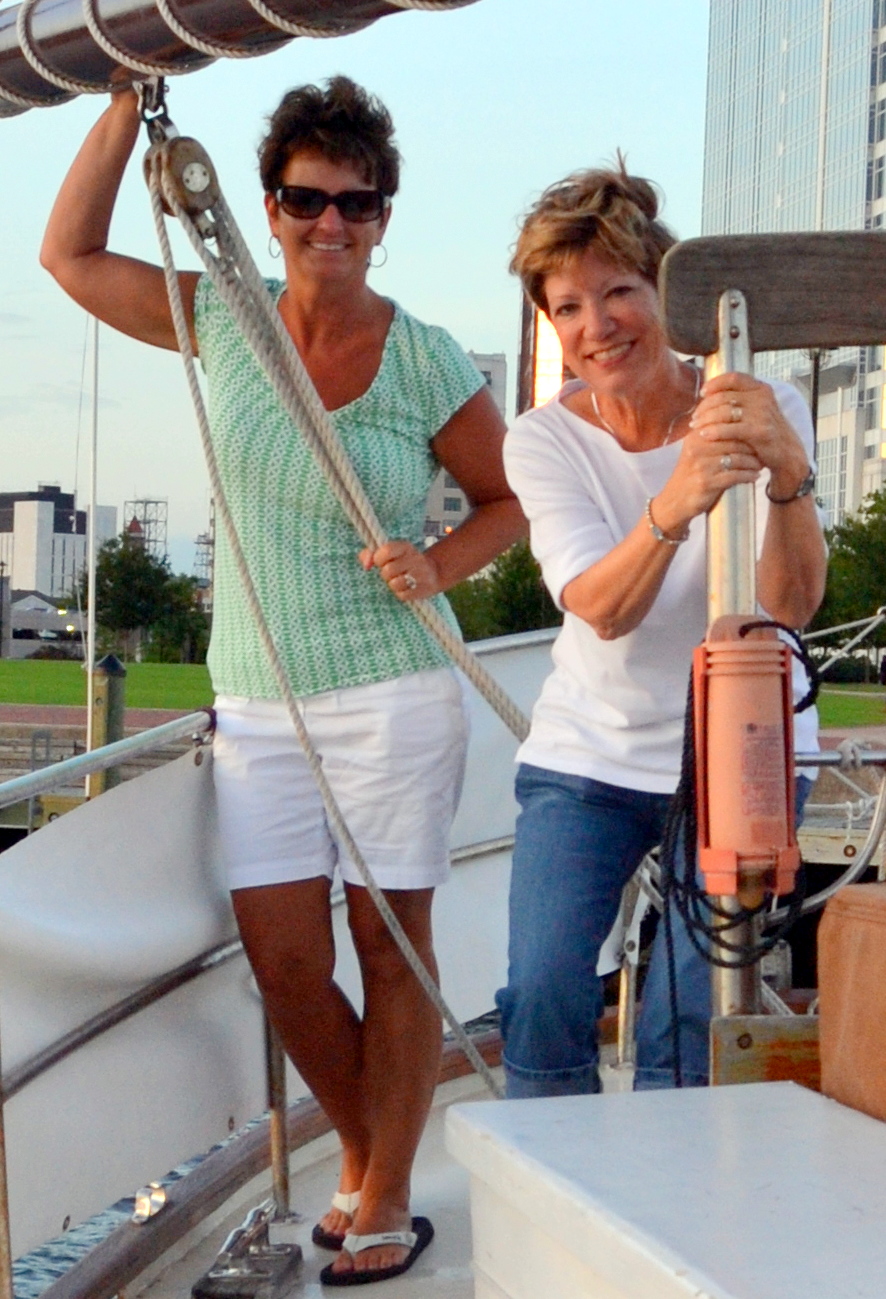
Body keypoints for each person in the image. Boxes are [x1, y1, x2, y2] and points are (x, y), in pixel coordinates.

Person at [41, 76, 525, 1285]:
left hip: (393, 691)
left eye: (356, 203)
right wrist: (125, 104)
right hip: (258, 702)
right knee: (285, 963)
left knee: (387, 939)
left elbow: (507, 499)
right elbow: (69, 257)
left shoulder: (422, 358)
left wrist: (438, 562)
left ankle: (384, 1192)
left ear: (383, 217)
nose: (331, 223)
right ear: (267, 208)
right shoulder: (225, 316)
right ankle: (370, 1152)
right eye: (308, 200)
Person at [495, 163, 827, 1098]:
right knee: (541, 991)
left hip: (739, 752)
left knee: (688, 1007)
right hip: (591, 750)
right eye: (567, 307)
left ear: (664, 297)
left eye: (618, 293)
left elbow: (789, 606)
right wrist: (678, 498)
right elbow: (602, 607)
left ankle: (673, 1175)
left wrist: (789, 475)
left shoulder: (760, 405)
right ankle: (552, 1168)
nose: (596, 326)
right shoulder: (543, 440)